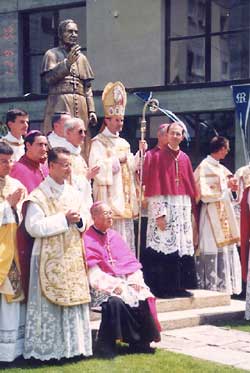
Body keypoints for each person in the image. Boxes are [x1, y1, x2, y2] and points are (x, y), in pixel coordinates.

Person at [23, 147, 92, 360]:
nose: (68, 169)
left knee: (73, 299)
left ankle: (74, 348)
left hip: (71, 254)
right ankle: (48, 350)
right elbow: (33, 227)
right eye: (64, 165)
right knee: (50, 303)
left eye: (70, 165)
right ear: (51, 166)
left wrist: (80, 221)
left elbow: (85, 220)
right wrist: (64, 219)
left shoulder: (73, 192)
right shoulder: (39, 195)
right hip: (47, 258)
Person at [84, 201, 161, 358]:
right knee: (115, 302)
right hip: (101, 287)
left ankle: (140, 342)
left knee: (143, 296)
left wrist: (134, 282)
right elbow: (93, 272)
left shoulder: (115, 236)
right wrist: (114, 286)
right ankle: (106, 344)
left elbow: (131, 263)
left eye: (111, 213)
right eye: (106, 213)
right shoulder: (88, 238)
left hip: (124, 282)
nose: (110, 216)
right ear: (94, 217)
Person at [142, 121, 197, 298]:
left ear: (182, 137)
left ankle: (179, 287)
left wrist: (189, 213)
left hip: (181, 208)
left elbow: (189, 188)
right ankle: (161, 288)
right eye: (172, 133)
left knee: (180, 245)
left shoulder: (185, 158)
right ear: (166, 135)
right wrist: (159, 213)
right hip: (164, 207)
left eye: (178, 134)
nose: (175, 136)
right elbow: (154, 187)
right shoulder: (157, 156)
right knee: (163, 244)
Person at [88, 81, 141, 251]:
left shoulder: (124, 142)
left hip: (124, 197)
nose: (120, 124)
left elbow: (132, 167)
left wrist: (141, 154)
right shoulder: (98, 142)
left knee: (125, 241)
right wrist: (117, 160)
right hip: (109, 197)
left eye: (122, 120)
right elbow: (96, 170)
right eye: (117, 120)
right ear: (107, 120)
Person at [41, 19, 96, 156]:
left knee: (82, 138)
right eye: (69, 31)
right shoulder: (51, 54)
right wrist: (67, 64)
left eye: (76, 32)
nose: (74, 34)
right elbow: (48, 79)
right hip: (60, 100)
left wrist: (92, 110)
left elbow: (87, 87)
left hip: (81, 102)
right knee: (61, 137)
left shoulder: (82, 58)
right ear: (61, 34)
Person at [194, 136, 242, 295]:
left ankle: (223, 287)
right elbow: (204, 194)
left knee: (225, 247)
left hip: (223, 210)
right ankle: (211, 288)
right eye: (226, 149)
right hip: (210, 213)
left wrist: (232, 187)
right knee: (211, 247)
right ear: (221, 148)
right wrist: (226, 186)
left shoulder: (220, 168)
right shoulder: (205, 166)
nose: (227, 152)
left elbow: (229, 187)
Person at [0, 142, 27, 361]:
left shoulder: (16, 184)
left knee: (10, 300)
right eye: (2, 161)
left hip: (13, 253)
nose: (8, 165)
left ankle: (10, 351)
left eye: (10, 161)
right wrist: (6, 206)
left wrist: (14, 207)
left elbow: (23, 218)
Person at [64, 117, 99, 225]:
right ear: (68, 133)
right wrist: (86, 178)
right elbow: (65, 184)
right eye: (80, 131)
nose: (83, 135)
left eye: (84, 131)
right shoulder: (63, 156)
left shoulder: (78, 156)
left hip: (84, 204)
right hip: (71, 207)